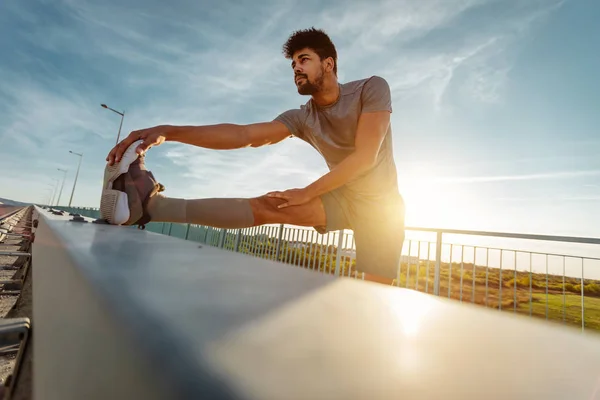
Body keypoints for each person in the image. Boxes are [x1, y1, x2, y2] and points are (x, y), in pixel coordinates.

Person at [102, 27, 405, 283]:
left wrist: (307, 192)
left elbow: (366, 156)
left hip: (382, 210)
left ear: (328, 64)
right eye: (293, 65)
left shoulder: (371, 89)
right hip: (342, 197)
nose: (296, 68)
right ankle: (149, 207)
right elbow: (244, 135)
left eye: (304, 60)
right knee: (269, 206)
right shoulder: (300, 117)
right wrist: (169, 130)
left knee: (376, 298)